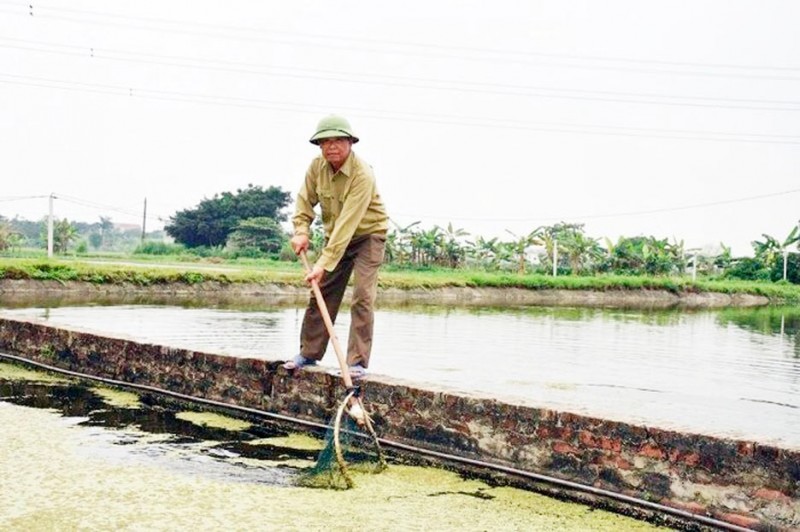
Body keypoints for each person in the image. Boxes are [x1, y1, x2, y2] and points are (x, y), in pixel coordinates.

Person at [283, 115, 388, 379]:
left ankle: (357, 364)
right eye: (325, 142)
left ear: (350, 142)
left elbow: (347, 224)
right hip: (336, 238)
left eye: (338, 140)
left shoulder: (363, 174)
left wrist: (321, 263)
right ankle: (308, 353)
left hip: (368, 235)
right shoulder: (316, 167)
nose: (331, 146)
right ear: (319, 146)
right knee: (322, 291)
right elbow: (304, 201)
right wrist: (301, 230)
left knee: (363, 297)